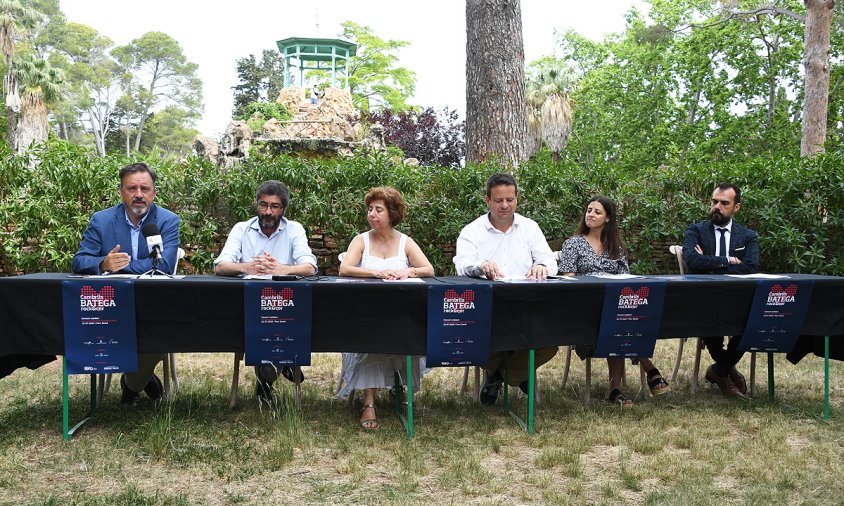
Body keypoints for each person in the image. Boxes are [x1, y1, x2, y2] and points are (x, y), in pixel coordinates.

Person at [72, 162, 180, 406]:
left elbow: (162, 265)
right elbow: (79, 261)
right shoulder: (101, 220)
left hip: (153, 305)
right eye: (132, 188)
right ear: (121, 192)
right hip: (110, 305)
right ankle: (142, 378)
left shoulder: (167, 221)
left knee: (167, 330)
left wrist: (119, 265)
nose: (139, 194)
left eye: (145, 188)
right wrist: (103, 264)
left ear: (154, 192)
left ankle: (131, 383)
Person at [453, 172, 558, 406]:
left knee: (550, 344)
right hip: (488, 309)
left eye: (509, 200)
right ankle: (520, 373)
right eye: (498, 200)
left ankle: (499, 376)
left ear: (517, 199)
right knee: (478, 340)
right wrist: (480, 266)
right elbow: (462, 265)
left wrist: (542, 265)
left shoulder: (530, 227)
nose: (504, 205)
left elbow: (549, 260)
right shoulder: (472, 231)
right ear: (487, 201)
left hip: (526, 307)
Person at [337, 187, 435, 429]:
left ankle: (398, 387)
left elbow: (428, 270)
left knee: (404, 332)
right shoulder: (360, 240)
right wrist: (376, 272)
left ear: (392, 213)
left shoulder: (405, 242)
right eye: (370, 209)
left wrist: (408, 271)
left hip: (399, 312)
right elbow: (345, 269)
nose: (372, 214)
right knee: (373, 336)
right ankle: (368, 402)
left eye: (378, 210)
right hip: (366, 313)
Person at [558, 196, 670, 407]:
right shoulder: (573, 244)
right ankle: (650, 370)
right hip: (586, 310)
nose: (590, 214)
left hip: (615, 308)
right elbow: (568, 281)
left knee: (623, 318)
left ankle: (615, 390)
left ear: (608, 218)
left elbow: (626, 282)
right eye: (589, 210)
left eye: (597, 212)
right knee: (619, 322)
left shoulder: (617, 247)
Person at [214, 180, 318, 401]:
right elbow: (221, 266)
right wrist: (246, 267)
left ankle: (271, 374)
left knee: (279, 323)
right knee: (264, 327)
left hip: (285, 307)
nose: (268, 212)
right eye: (263, 205)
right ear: (256, 204)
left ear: (284, 209)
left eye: (275, 206)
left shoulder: (294, 229)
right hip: (250, 308)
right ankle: (284, 363)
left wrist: (282, 269)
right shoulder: (242, 229)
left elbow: (310, 267)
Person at [683, 183, 759, 398]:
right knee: (708, 315)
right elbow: (692, 260)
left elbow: (751, 266)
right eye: (714, 201)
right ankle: (725, 370)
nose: (717, 206)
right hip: (704, 298)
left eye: (724, 203)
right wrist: (728, 261)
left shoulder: (747, 236)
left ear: (737, 207)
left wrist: (709, 262)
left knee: (752, 324)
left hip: (737, 299)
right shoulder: (696, 230)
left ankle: (719, 370)